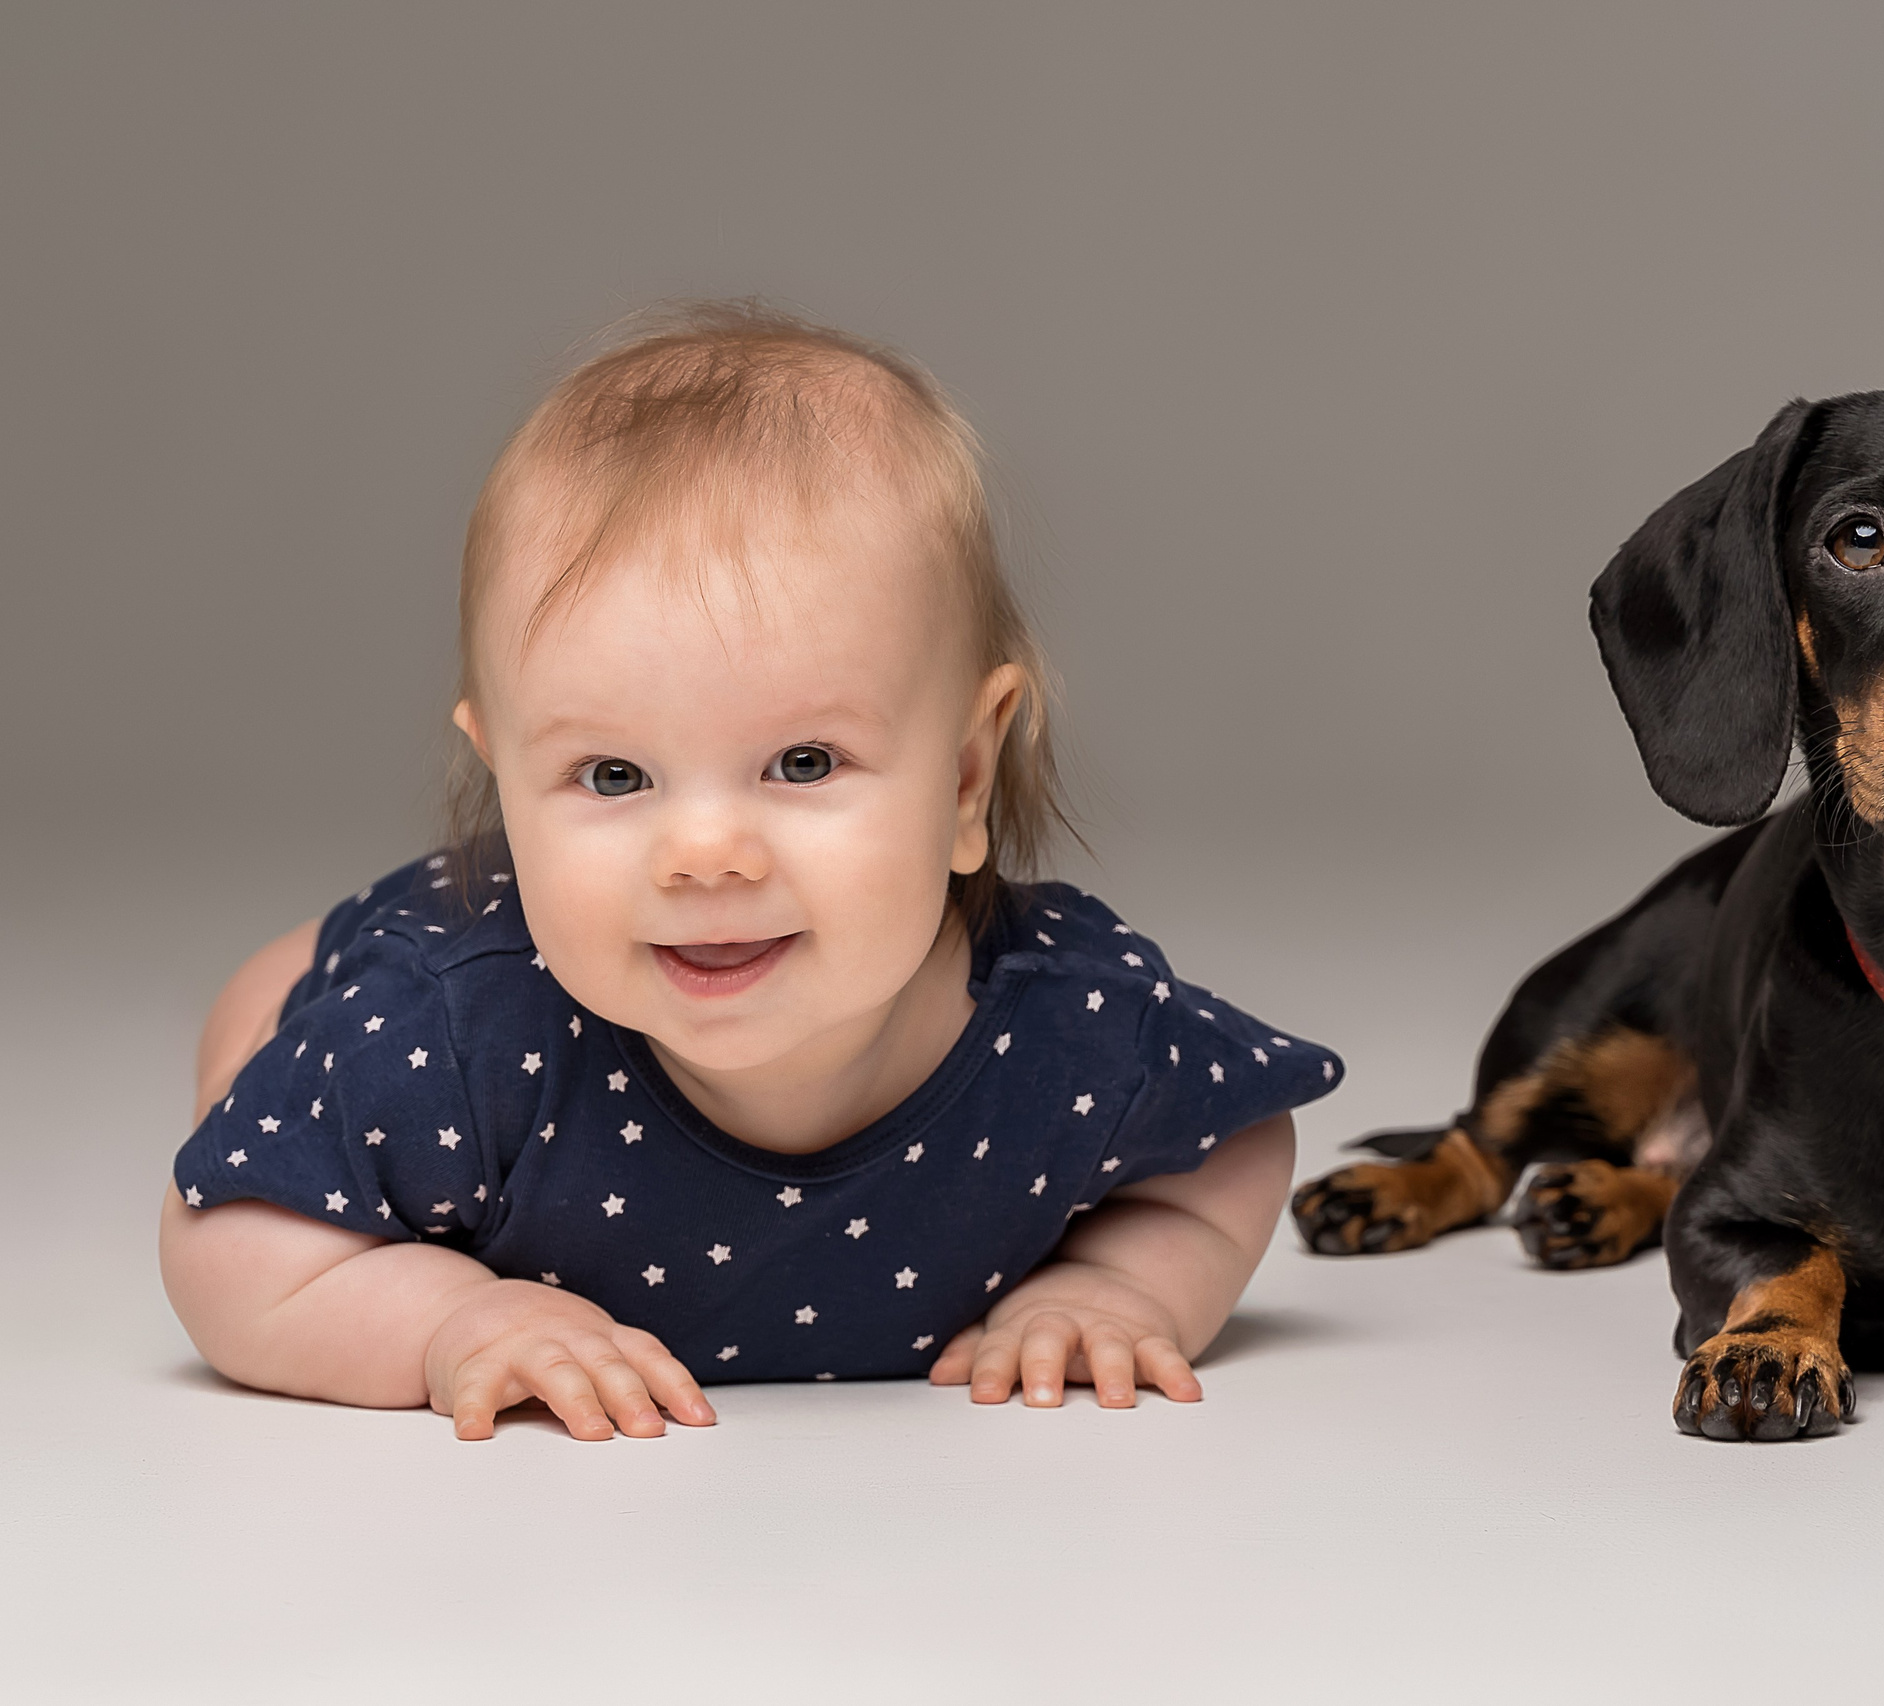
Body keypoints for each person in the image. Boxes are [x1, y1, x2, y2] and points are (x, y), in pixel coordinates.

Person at [160, 304, 1339, 1440]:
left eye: (803, 761)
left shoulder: (1072, 1029)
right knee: (271, 1030)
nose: (705, 853)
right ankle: (270, 1014)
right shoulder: (455, 1036)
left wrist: (1120, 1285)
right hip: (404, 949)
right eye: (613, 775)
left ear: (966, 778)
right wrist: (452, 1319)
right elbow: (225, 1232)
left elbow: (1232, 1143)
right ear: (505, 780)